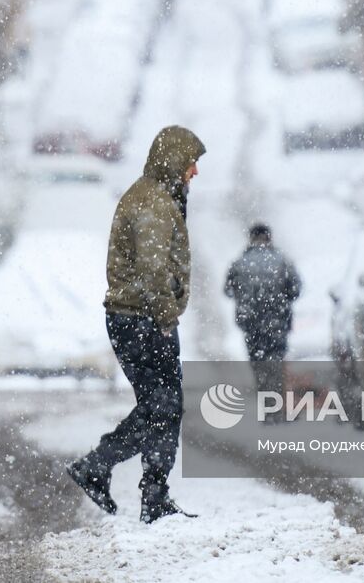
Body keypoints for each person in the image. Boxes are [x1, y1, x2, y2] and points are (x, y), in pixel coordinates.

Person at [68, 125, 206, 524]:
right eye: (191, 162)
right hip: (141, 319)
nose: (194, 171)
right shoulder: (152, 203)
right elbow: (152, 270)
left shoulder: (155, 196)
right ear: (174, 161)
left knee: (161, 406)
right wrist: (166, 317)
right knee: (163, 405)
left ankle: (146, 490)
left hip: (138, 317)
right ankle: (107, 470)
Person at [223, 223, 301, 403]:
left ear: (251, 238)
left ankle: (266, 402)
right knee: (276, 362)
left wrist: (245, 297)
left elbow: (227, 290)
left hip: (250, 322)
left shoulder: (239, 263)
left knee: (258, 363)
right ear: (269, 237)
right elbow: (296, 289)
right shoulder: (282, 260)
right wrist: (281, 299)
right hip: (278, 320)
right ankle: (277, 403)